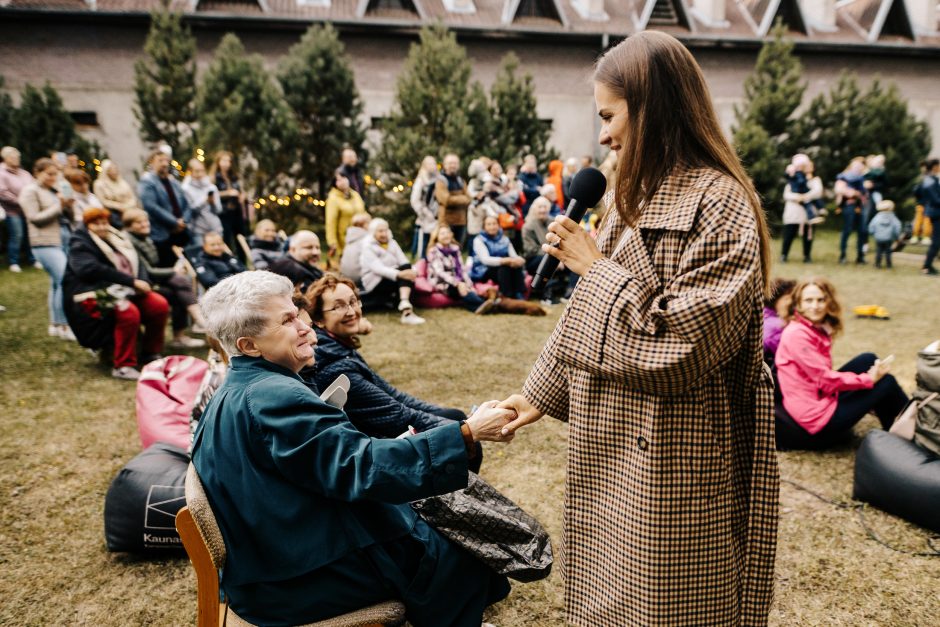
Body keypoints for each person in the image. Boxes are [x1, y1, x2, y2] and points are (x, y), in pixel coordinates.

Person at [497, 32, 778, 625]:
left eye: (608, 115)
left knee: (670, 605)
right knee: (610, 596)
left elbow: (682, 347)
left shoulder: (723, 203)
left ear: (654, 107)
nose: (601, 135)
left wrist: (594, 268)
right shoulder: (628, 194)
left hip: (679, 448)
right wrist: (540, 392)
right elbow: (588, 315)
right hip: (610, 438)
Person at [191, 271, 512, 626]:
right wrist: (466, 433)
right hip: (292, 581)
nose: (304, 325)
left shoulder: (241, 388)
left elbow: (329, 461)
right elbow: (361, 468)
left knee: (433, 532)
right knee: (457, 550)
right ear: (248, 345)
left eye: (297, 313)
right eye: (287, 320)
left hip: (274, 561)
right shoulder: (274, 396)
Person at [303, 273, 485, 468]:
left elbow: (395, 395)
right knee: (465, 441)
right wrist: (463, 431)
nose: (351, 311)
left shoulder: (338, 347)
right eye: (339, 306)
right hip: (375, 448)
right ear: (319, 320)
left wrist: (450, 419)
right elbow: (396, 415)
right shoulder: (335, 367)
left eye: (353, 302)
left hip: (382, 429)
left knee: (454, 415)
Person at [775, 278, 908, 446]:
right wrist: (868, 380)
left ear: (828, 302)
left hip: (821, 397)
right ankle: (909, 433)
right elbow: (824, 380)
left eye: (820, 300)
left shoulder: (815, 328)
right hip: (815, 417)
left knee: (868, 359)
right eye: (808, 300)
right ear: (798, 304)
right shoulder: (797, 335)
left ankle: (900, 425)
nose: (815, 306)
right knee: (886, 383)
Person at [63, 207, 169, 380]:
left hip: (125, 289)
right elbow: (89, 269)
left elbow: (135, 262)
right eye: (96, 224)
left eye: (104, 223)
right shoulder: (80, 243)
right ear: (87, 225)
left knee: (158, 305)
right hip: (92, 294)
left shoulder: (116, 237)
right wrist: (131, 282)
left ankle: (150, 353)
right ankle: (123, 365)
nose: (102, 227)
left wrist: (143, 281)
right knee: (128, 313)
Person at [122, 208, 206, 348]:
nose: (145, 224)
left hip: (152, 280)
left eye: (145, 221)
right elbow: (148, 271)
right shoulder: (130, 242)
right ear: (129, 226)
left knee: (179, 287)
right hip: (141, 284)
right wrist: (173, 271)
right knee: (178, 284)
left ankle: (185, 332)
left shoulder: (144, 238)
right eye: (139, 222)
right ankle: (199, 320)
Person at [18, 158, 74, 340]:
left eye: (55, 174)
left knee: (56, 283)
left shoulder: (55, 190)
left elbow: (68, 216)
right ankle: (65, 325)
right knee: (65, 280)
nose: (52, 177)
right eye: (48, 174)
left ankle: (55, 325)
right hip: (44, 242)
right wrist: (60, 206)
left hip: (64, 239)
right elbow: (34, 218)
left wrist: (68, 205)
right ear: (37, 173)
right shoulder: (29, 191)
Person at [358, 218, 425, 325]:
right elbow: (378, 269)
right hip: (375, 280)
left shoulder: (392, 242)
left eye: (385, 230)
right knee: (405, 276)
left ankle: (404, 304)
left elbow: (403, 260)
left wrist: (412, 271)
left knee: (407, 268)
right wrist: (400, 274)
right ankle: (406, 308)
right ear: (373, 232)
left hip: (392, 276)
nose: (384, 234)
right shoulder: (368, 246)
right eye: (380, 231)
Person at [425, 225, 495, 314]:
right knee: (461, 289)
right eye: (442, 233)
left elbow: (462, 269)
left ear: (451, 235)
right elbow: (440, 272)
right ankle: (486, 305)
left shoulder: (455, 249)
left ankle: (479, 307)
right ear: (437, 237)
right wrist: (457, 283)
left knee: (467, 288)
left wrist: (469, 284)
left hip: (456, 280)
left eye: (447, 232)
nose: (446, 235)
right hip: (441, 282)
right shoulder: (434, 251)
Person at [138, 150, 191, 267]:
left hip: (181, 232)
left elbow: (187, 204)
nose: (165, 163)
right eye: (160, 160)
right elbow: (151, 206)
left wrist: (184, 221)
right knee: (172, 267)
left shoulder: (174, 182)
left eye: (167, 160)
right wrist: (174, 222)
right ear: (151, 162)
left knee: (187, 265)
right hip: (163, 234)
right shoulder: (147, 182)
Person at [0, 146, 39, 272]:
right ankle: (13, 262)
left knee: (30, 235)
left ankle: (33, 259)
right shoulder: (1, 172)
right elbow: (2, 192)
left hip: (28, 211)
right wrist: (21, 202)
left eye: (17, 156)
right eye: (13, 156)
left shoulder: (25, 173)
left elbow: (35, 187)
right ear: (5, 158)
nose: (16, 159)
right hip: (12, 211)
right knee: (17, 235)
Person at [470, 215, 526, 301]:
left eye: (494, 224)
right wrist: (505, 261)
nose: (492, 227)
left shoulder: (505, 239)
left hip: (501, 266)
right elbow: (485, 260)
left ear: (498, 225)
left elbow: (513, 256)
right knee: (505, 267)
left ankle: (519, 293)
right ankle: (507, 295)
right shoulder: (479, 240)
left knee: (515, 265)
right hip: (483, 270)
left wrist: (519, 260)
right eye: (488, 224)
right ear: (484, 227)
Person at [781, 156, 824, 263]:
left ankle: (807, 255)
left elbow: (817, 192)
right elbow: (786, 194)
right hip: (793, 212)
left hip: (808, 213)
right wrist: (797, 197)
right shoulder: (794, 178)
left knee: (808, 235)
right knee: (789, 234)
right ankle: (784, 254)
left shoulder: (815, 180)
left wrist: (805, 196)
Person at [325, 169, 365, 265]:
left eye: (343, 178)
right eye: (338, 180)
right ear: (335, 183)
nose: (341, 181)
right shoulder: (333, 198)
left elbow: (363, 212)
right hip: (344, 240)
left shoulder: (355, 195)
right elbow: (330, 222)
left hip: (360, 237)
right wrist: (332, 242)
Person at [209, 151, 246, 256]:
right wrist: (228, 193)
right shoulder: (214, 177)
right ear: (218, 162)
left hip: (236, 211)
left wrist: (242, 195)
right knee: (226, 238)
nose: (226, 163)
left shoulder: (234, 176)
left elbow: (241, 190)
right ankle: (229, 260)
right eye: (224, 160)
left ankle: (242, 261)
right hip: (223, 212)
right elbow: (212, 195)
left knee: (240, 237)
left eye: (228, 161)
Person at [834, 158, 869, 265]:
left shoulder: (862, 179)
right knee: (847, 230)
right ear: (851, 166)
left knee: (862, 231)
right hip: (849, 206)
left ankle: (860, 256)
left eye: (860, 167)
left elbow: (865, 193)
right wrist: (852, 192)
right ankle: (843, 255)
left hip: (860, 207)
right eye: (856, 166)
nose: (858, 168)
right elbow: (839, 190)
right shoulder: (844, 177)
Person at [181, 158, 223, 246]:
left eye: (202, 171)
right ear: (190, 172)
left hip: (215, 229)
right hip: (198, 231)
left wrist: (213, 203)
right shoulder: (186, 189)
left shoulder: (212, 187)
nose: (200, 174)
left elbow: (219, 210)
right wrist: (204, 201)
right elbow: (190, 211)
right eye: (197, 171)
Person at [434, 153, 471, 245]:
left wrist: (455, 198)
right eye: (450, 163)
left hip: (461, 220)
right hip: (446, 221)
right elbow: (446, 200)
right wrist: (462, 198)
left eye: (455, 163)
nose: (453, 165)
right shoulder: (441, 181)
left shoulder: (460, 180)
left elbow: (469, 198)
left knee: (458, 247)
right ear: (445, 165)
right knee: (445, 246)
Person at [409, 156, 439, 258]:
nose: (432, 166)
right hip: (425, 216)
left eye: (433, 163)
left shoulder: (439, 179)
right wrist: (424, 212)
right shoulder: (421, 180)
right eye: (429, 164)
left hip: (437, 215)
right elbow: (415, 200)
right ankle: (422, 263)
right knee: (424, 242)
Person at [93, 160, 138, 227]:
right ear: (106, 171)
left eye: (115, 168)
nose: (114, 171)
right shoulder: (99, 184)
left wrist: (129, 205)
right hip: (115, 215)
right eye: (111, 169)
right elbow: (103, 201)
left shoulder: (122, 182)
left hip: (131, 210)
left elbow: (132, 196)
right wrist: (120, 206)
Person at [763, 277, 795, 363]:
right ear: (775, 300)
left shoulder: (764, 315)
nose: (792, 302)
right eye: (787, 299)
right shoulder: (777, 324)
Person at [917, 158, 940, 275]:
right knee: (936, 241)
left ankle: (928, 265)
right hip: (936, 213)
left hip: (935, 212)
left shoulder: (931, 179)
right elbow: (936, 200)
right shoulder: (930, 181)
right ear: (935, 166)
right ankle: (926, 267)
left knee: (937, 241)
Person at [867, 199, 902, 269]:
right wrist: (897, 237)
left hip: (879, 238)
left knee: (878, 251)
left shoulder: (877, 217)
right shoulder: (893, 217)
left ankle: (877, 264)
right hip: (888, 238)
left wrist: (873, 233)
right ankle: (889, 265)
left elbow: (871, 226)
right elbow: (897, 226)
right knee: (888, 252)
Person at [339, 212, 371, 284]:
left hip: (346, 277)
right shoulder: (367, 239)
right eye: (369, 223)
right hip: (360, 279)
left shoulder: (350, 237)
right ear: (364, 225)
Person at [911, 160, 934, 245]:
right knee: (923, 220)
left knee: (922, 220)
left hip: (924, 203)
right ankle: (922, 236)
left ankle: (918, 236)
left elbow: (916, 191)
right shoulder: (930, 178)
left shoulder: (922, 178)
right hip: (925, 203)